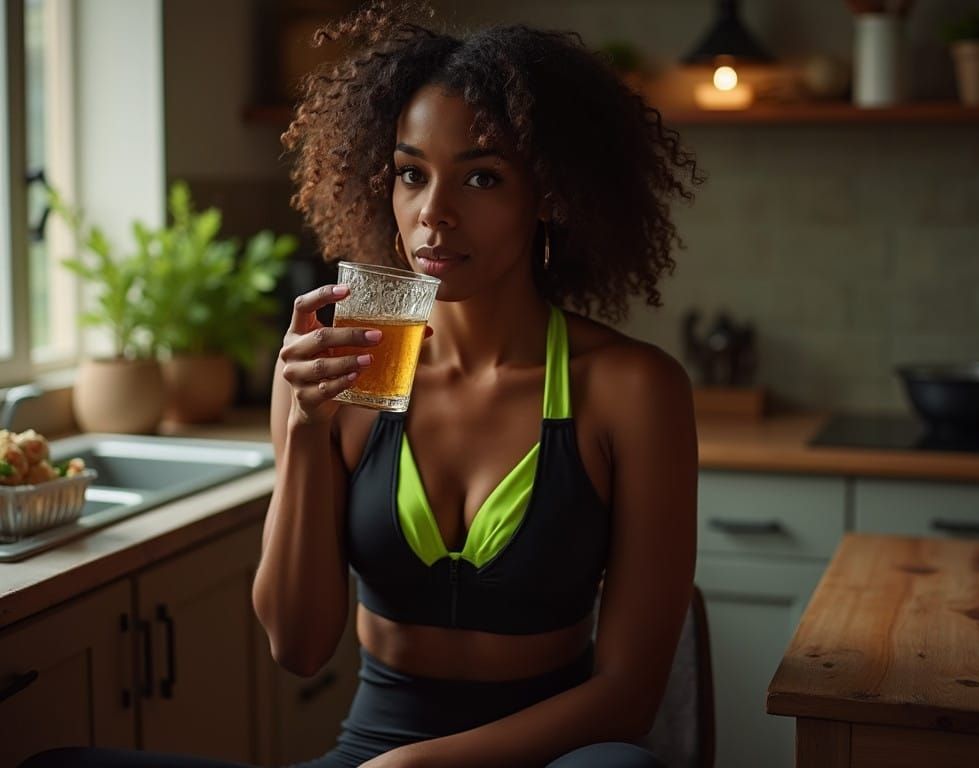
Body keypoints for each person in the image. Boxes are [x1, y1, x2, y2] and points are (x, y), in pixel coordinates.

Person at [20, 2, 701, 767]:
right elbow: (299, 647)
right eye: (411, 174)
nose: (432, 215)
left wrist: (421, 766)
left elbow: (630, 696)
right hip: (367, 756)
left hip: (550, 758)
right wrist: (306, 431)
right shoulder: (346, 369)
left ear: (548, 195)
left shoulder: (632, 391)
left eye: (481, 176)